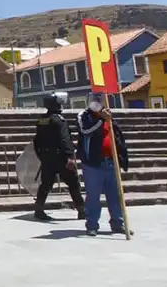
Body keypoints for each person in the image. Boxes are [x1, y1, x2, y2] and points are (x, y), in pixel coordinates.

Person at [77, 94, 132, 237]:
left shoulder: (109, 117)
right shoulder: (84, 116)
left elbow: (118, 136)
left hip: (111, 162)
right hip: (93, 164)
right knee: (93, 196)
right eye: (95, 100)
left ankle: (118, 223)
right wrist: (102, 120)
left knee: (115, 195)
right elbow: (86, 131)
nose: (97, 103)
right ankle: (92, 225)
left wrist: (122, 157)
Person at [32, 91, 85, 220]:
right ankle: (82, 210)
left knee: (46, 184)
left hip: (47, 157)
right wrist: (70, 157)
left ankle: (38, 210)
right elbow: (64, 139)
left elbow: (36, 141)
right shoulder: (59, 121)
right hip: (61, 157)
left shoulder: (41, 120)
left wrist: (41, 155)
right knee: (73, 183)